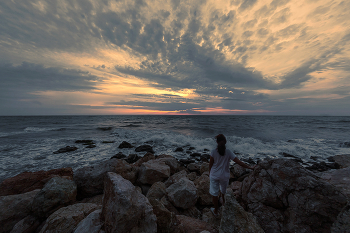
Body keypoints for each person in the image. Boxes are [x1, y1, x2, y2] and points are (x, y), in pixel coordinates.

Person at [209, 134, 255, 217]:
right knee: (223, 191)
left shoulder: (213, 152)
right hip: (224, 176)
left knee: (215, 194)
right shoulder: (229, 152)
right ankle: (224, 205)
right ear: (226, 142)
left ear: (216, 142)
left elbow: (210, 165)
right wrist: (250, 167)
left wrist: (210, 173)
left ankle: (216, 211)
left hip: (214, 175)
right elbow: (239, 162)